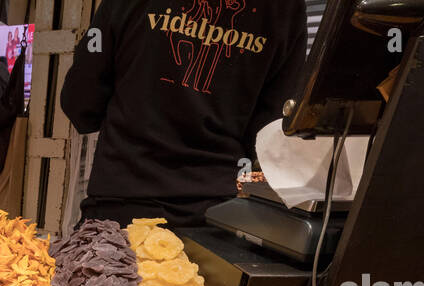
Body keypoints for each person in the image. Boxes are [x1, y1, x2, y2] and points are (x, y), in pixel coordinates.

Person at [61, 0, 308, 227]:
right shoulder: (285, 8)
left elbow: (80, 103)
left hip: (121, 210)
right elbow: (271, 131)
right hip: (217, 218)